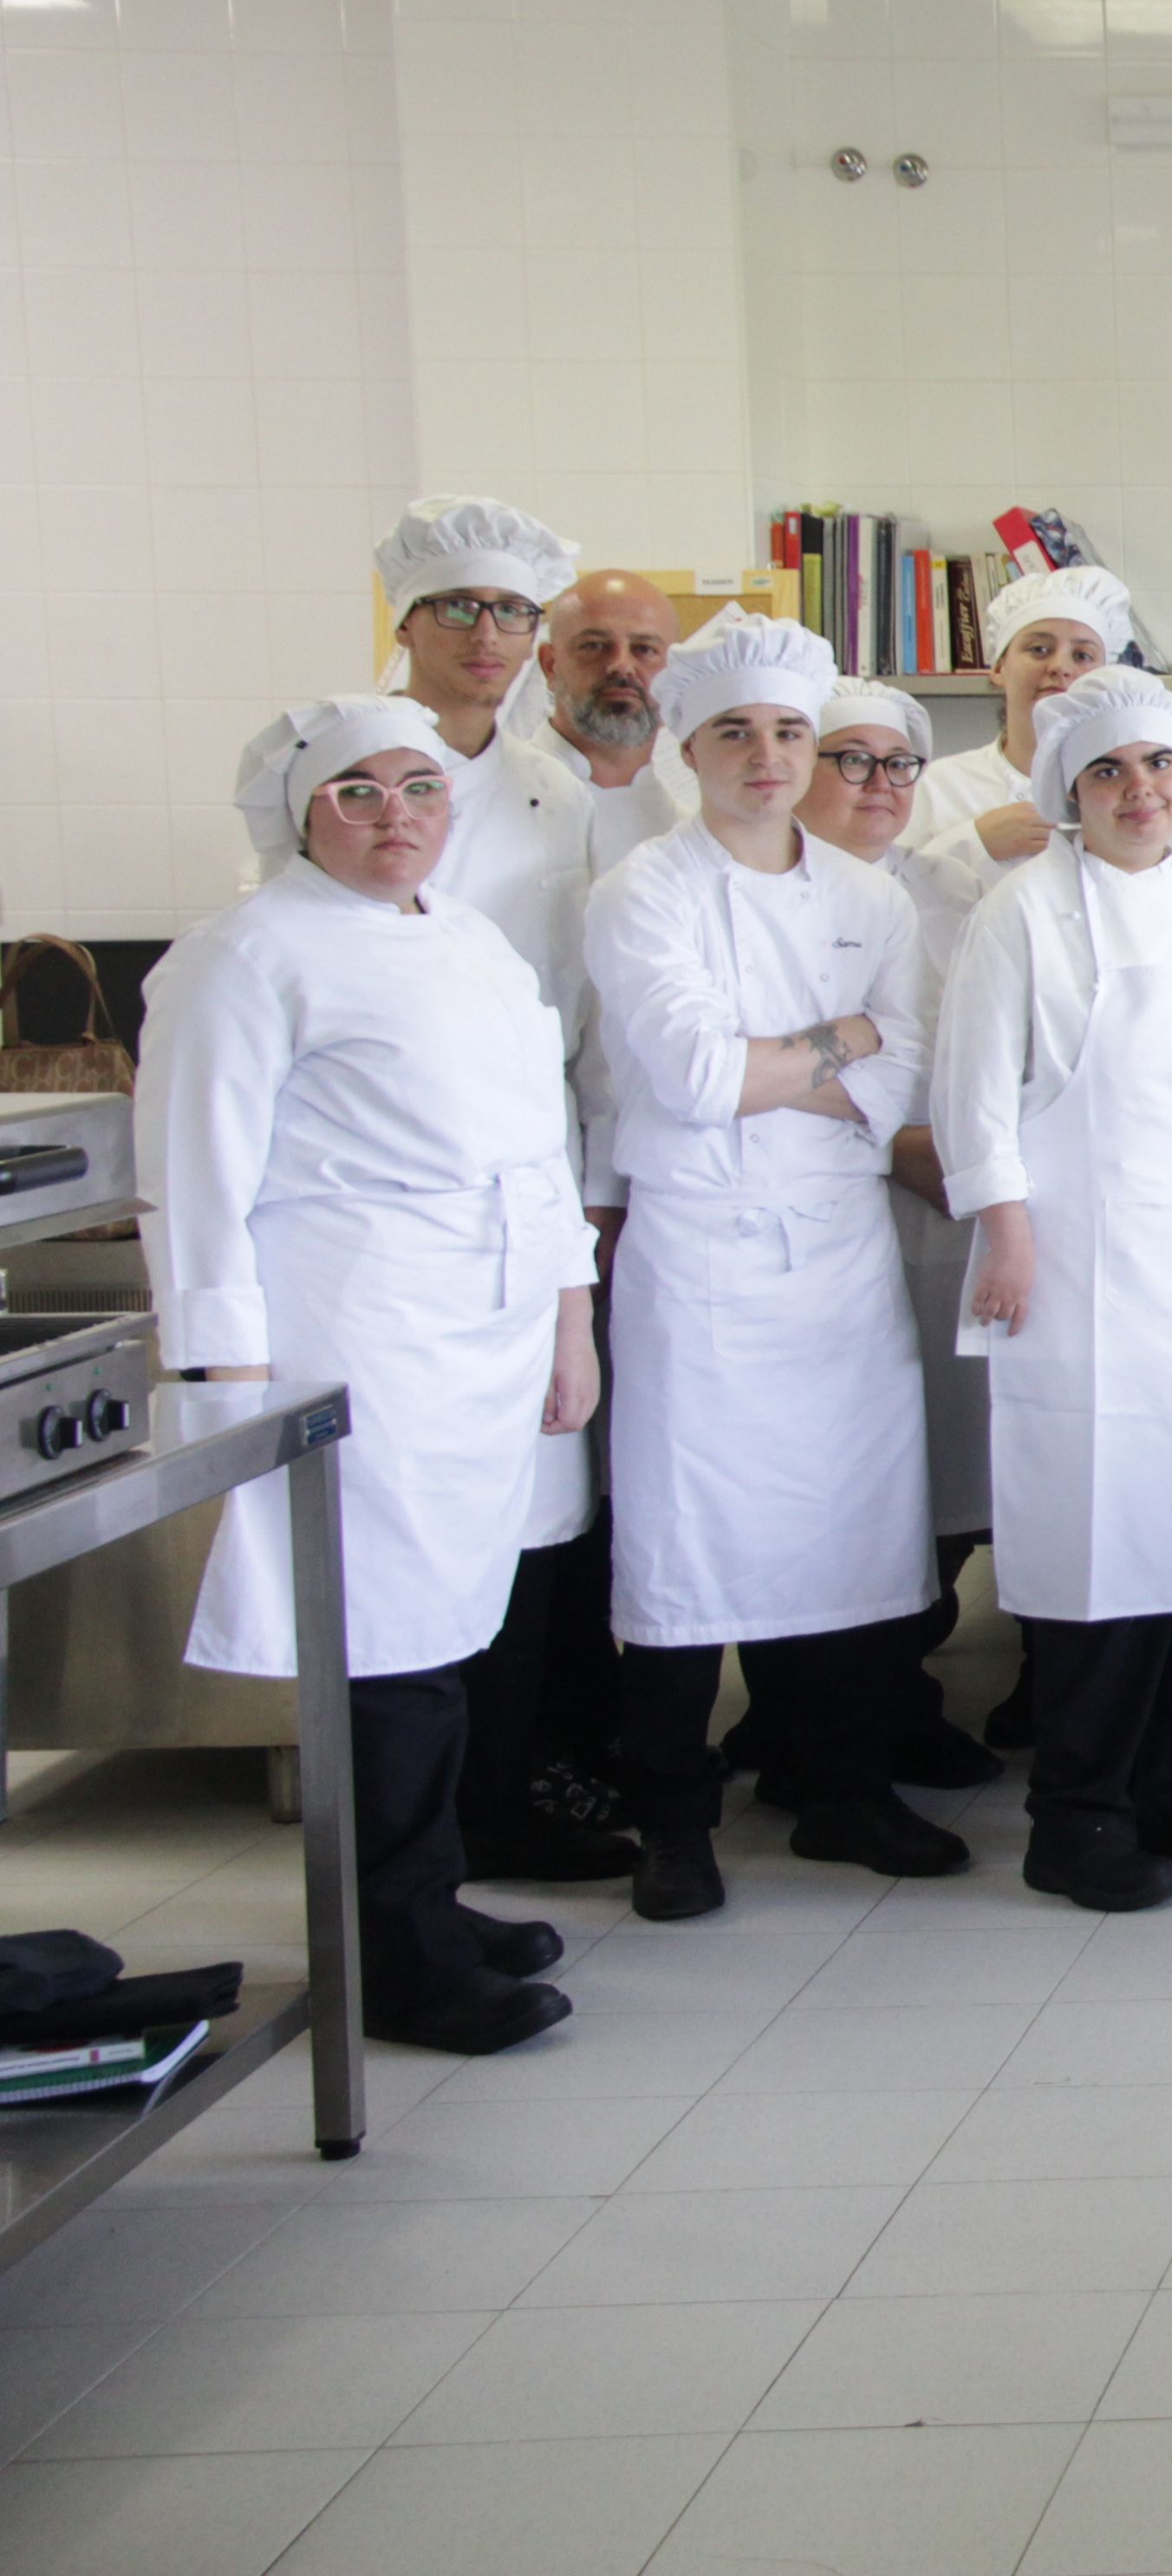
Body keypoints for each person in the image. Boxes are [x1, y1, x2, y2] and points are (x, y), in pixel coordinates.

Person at [144, 697, 598, 2052]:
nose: (395, 814)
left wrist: (569, 1318)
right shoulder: (243, 956)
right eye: (357, 791)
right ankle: (391, 1951)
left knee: (452, 1627)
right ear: (298, 810)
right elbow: (195, 1175)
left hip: (487, 1324)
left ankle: (429, 1896)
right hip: (357, 1326)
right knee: (385, 1644)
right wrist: (226, 1379)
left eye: (418, 788)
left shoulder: (463, 940)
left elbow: (541, 1144)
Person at [582, 618, 966, 1919]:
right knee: (685, 1548)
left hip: (839, 1255)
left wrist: (781, 1063)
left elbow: (908, 1073)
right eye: (736, 732)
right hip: (700, 1249)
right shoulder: (644, 890)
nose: (767, 755)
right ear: (689, 747)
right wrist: (838, 1047)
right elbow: (692, 1079)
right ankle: (671, 1821)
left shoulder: (870, 896)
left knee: (851, 1530)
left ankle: (841, 1791)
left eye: (789, 732)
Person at [932, 667, 1172, 1912]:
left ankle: (1163, 1784)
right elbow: (972, 1092)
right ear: (1068, 792)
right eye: (1109, 772)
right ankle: (1074, 1813)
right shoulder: (1024, 913)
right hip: (1076, 1277)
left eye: (1158, 767)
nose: (1140, 792)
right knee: (1092, 1548)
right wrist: (1008, 1234)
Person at [361, 499, 634, 1887]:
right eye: (458, 609)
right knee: (421, 1534)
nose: (488, 636)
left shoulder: (553, 791)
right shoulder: (349, 766)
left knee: (542, 1505)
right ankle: (428, 1836)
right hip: (397, 1209)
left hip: (535, 1197)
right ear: (402, 624)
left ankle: (512, 1789)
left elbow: (580, 1010)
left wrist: (585, 1198)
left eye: (510, 613)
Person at [794, 678, 1006, 1788]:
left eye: (899, 766)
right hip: (818, 1222)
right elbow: (752, 1074)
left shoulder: (935, 886)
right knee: (835, 1491)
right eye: (850, 761)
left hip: (940, 1218)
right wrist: (897, 1139)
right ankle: (813, 1736)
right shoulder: (766, 897)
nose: (880, 788)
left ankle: (896, 1705)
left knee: (923, 1484)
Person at [905, 561, 1138, 886]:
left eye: (1082, 655)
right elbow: (884, 900)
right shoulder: (936, 788)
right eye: (1039, 649)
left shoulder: (1135, 792)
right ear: (999, 667)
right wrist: (973, 844)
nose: (1060, 666)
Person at [538, 569, 685, 871]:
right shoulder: (477, 802)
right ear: (551, 666)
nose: (621, 665)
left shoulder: (688, 830)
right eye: (594, 646)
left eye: (645, 650)